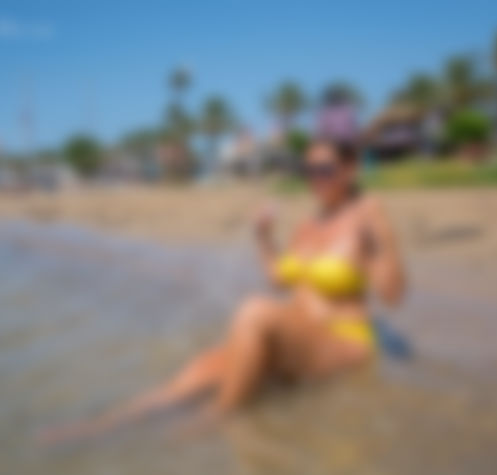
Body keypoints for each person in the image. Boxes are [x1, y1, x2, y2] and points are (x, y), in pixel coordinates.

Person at [41, 139, 406, 443]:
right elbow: (279, 280)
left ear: (350, 169)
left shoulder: (364, 217)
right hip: (298, 336)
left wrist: (384, 238)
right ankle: (103, 426)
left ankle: (213, 423)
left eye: (325, 170)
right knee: (198, 370)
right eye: (308, 171)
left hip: (342, 341)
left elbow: (392, 295)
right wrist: (263, 238)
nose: (316, 179)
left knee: (254, 312)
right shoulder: (307, 226)